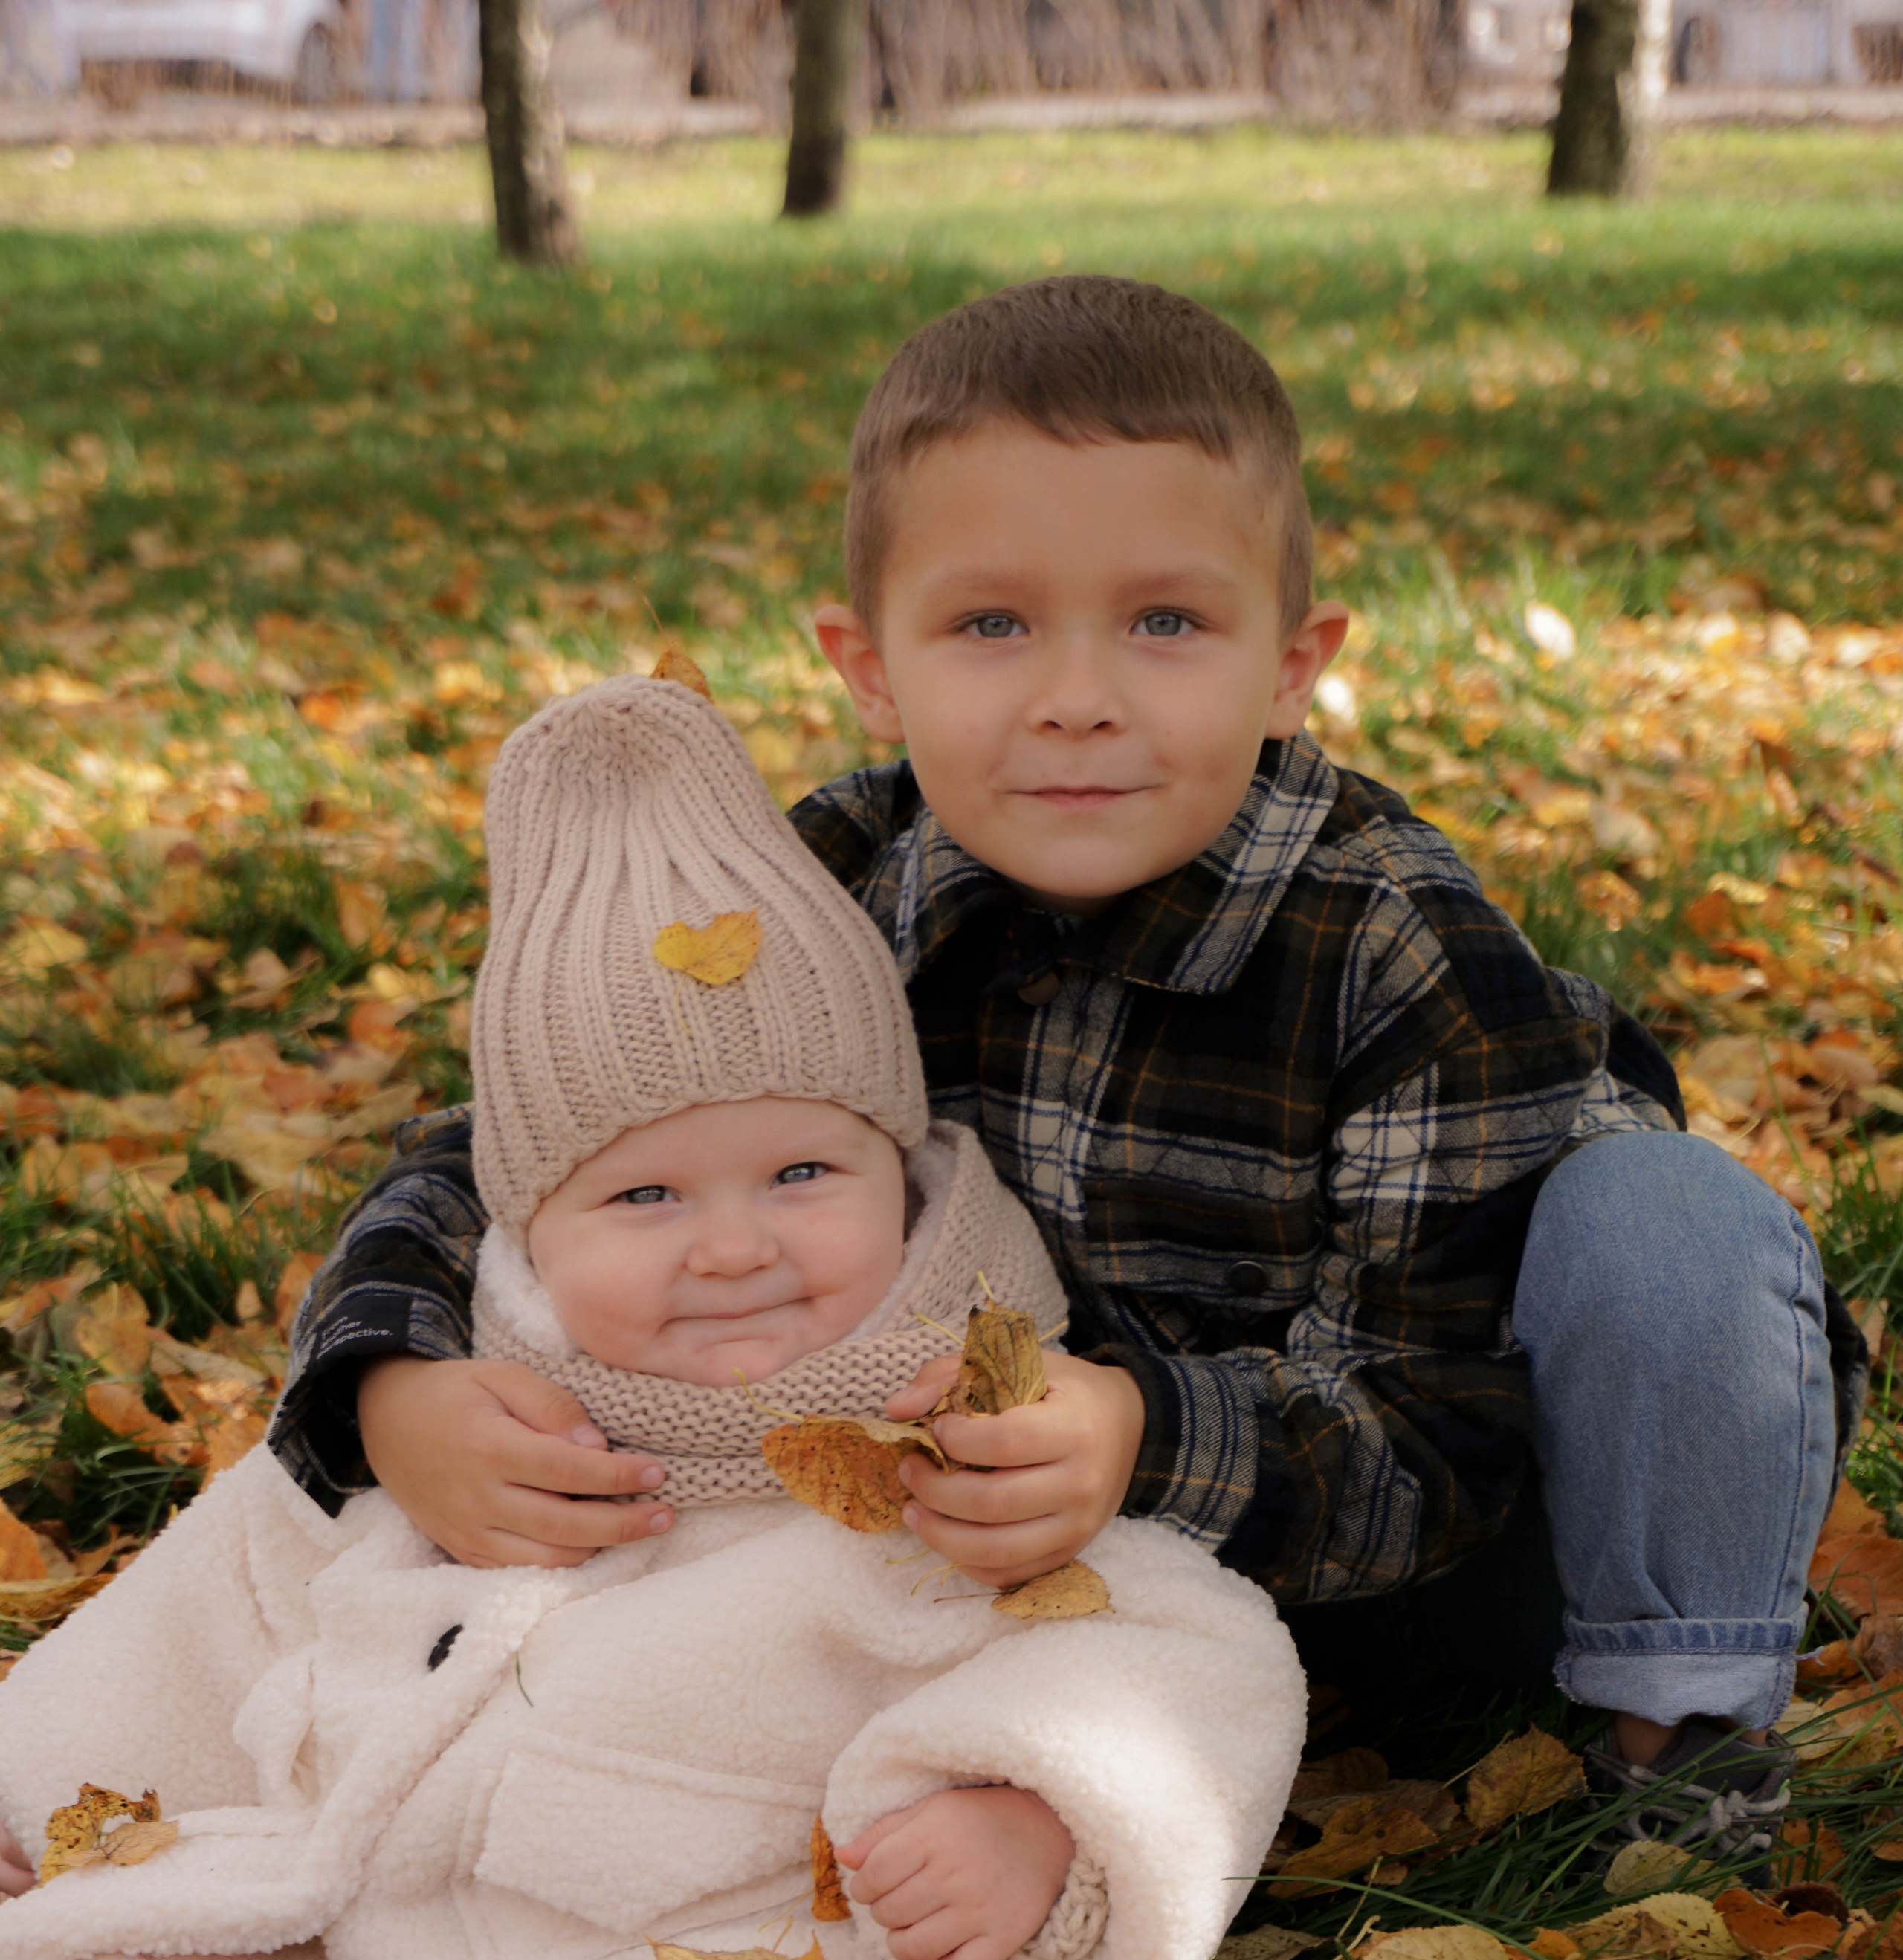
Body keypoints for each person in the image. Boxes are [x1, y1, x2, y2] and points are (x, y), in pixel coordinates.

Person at [265, 275, 1863, 1858]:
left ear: (1291, 659)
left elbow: (1438, 1441)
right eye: (991, 626)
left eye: (1166, 623)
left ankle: (1678, 1734)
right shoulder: (816, 884)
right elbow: (518, 1143)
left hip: (1453, 1566)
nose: (1078, 702)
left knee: (1669, 1223)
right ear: (869, 665)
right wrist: (387, 1387)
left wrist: (1139, 1440)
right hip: (1014, 1573)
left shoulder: (1394, 945)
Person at [0, 676, 1302, 1960]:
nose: (734, 1247)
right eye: (644, 1196)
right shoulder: (457, 1431)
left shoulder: (966, 1448)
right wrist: (33, 1797)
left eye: (802, 1173)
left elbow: (1184, 1659)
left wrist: (1038, 1818)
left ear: (900, 1171)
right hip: (357, 1950)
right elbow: (196, 1622)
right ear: (529, 1229)